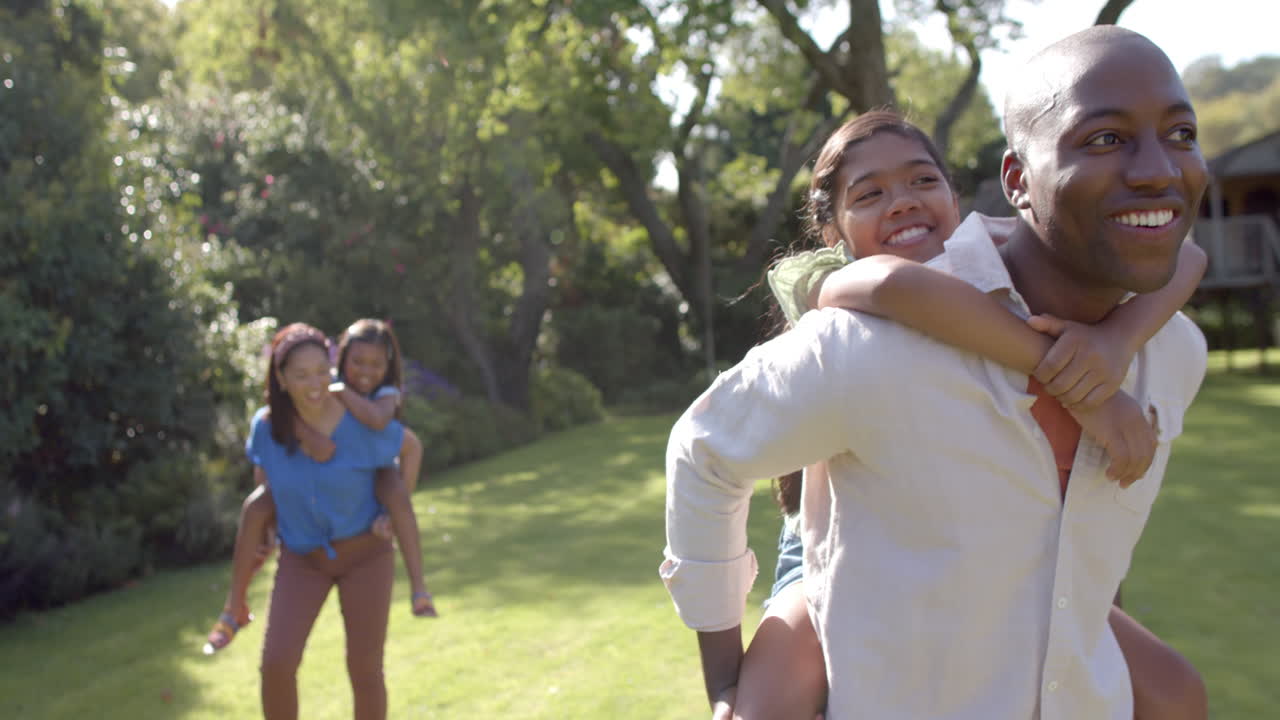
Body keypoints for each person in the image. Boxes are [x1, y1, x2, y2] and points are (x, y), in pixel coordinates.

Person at [663, 26, 1210, 719]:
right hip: (818, 557)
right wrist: (723, 677)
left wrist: (1117, 345)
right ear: (1018, 181)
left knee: (1179, 692)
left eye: (1183, 133)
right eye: (1104, 138)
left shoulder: (1173, 353)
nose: (1158, 168)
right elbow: (707, 449)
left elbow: (1189, 259)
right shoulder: (860, 334)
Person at [204, 320, 435, 655]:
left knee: (397, 497)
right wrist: (305, 433)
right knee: (256, 507)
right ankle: (233, 608)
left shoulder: (373, 395)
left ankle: (419, 587)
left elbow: (381, 423)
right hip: (305, 540)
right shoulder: (299, 403)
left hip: (378, 471)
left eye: (375, 364)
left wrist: (388, 512)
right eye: (357, 362)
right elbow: (274, 445)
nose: (365, 371)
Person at [249, 322, 407, 720]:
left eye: (323, 371)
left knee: (365, 669)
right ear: (281, 379)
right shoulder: (267, 427)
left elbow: (407, 449)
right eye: (301, 375)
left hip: (366, 555)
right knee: (277, 664)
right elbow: (264, 476)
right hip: (303, 558)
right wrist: (266, 527)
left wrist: (393, 511)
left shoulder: (358, 415)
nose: (315, 383)